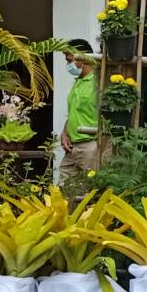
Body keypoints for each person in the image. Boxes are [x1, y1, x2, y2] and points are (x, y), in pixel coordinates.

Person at [58, 38, 104, 183]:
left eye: (69, 60)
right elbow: (74, 112)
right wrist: (64, 133)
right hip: (72, 147)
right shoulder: (77, 82)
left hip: (90, 145)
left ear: (81, 58)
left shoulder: (98, 82)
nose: (68, 65)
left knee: (90, 191)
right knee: (64, 190)